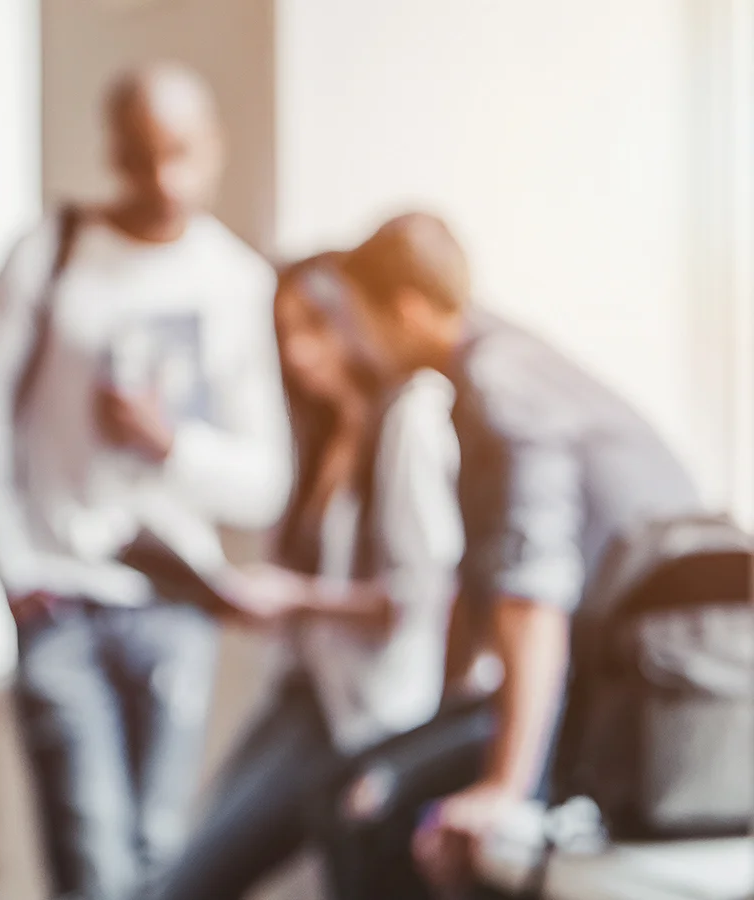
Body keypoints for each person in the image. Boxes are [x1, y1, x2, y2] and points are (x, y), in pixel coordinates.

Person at [0, 63, 290, 899]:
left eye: (180, 152)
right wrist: (15, 567)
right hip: (61, 599)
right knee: (91, 863)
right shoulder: (53, 253)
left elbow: (265, 481)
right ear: (114, 150)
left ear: (213, 148)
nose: (163, 178)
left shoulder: (237, 282)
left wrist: (172, 444)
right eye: (142, 154)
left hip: (176, 608)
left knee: (159, 856)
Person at [337, 212, 702, 897]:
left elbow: (534, 594)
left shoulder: (505, 387)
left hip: (649, 692)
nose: (355, 342)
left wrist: (505, 786)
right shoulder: (502, 365)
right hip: (623, 679)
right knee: (358, 784)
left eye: (360, 320)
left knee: (380, 812)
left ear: (409, 311)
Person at [146, 253, 464, 899]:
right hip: (303, 692)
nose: (298, 353)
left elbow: (423, 597)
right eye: (284, 333)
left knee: (193, 881)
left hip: (369, 716)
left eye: (314, 327)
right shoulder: (316, 436)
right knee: (183, 869)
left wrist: (301, 600)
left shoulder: (408, 419)